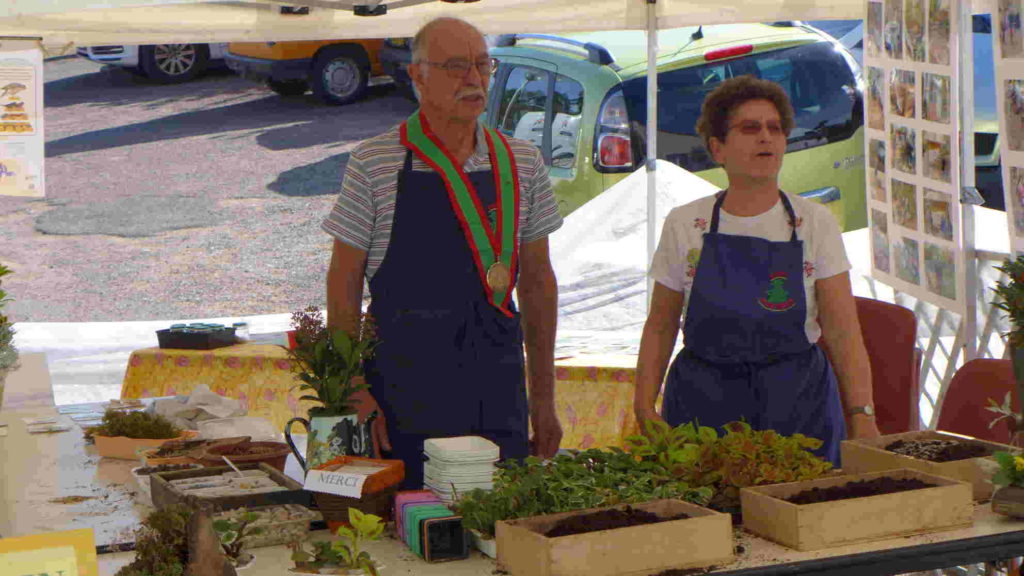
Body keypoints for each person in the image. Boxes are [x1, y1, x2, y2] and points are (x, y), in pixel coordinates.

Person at [321, 17, 564, 488]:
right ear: (416, 75)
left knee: (500, 519)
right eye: (455, 66)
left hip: (497, 380)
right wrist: (353, 391)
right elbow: (343, 283)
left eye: (482, 64)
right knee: (414, 523)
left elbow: (538, 283)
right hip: (404, 384)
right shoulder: (375, 162)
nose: (474, 79)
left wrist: (544, 399)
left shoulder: (523, 162)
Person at [633, 76, 879, 466]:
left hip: (798, 405)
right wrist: (643, 405)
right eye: (750, 128)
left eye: (774, 128)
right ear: (718, 148)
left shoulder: (814, 222)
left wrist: (862, 416)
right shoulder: (685, 224)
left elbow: (843, 329)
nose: (766, 137)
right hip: (704, 405)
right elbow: (661, 325)